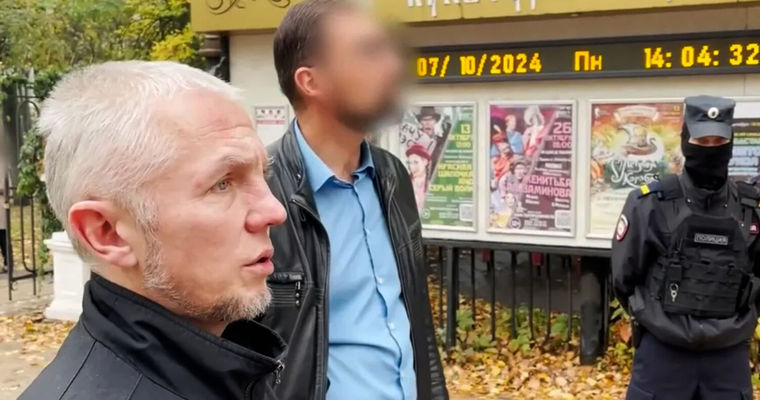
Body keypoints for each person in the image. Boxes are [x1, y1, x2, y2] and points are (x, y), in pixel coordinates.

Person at [20, 61, 288, 400]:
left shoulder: (229, 358)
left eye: (263, 174)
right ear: (107, 233)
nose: (275, 211)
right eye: (222, 184)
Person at [265, 1, 448, 399]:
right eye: (368, 53)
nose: (393, 68)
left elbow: (415, 318)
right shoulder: (260, 193)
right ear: (311, 81)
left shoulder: (392, 175)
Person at [612, 95, 760, 400]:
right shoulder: (650, 204)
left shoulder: (750, 209)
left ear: (730, 144)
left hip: (728, 361)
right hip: (663, 358)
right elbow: (624, 278)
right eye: (701, 141)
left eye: (718, 141)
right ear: (685, 141)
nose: (710, 149)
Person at [406, 144, 431, 212]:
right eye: (409, 163)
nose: (412, 167)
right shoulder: (404, 183)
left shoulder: (433, 183)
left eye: (416, 162)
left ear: (425, 162)